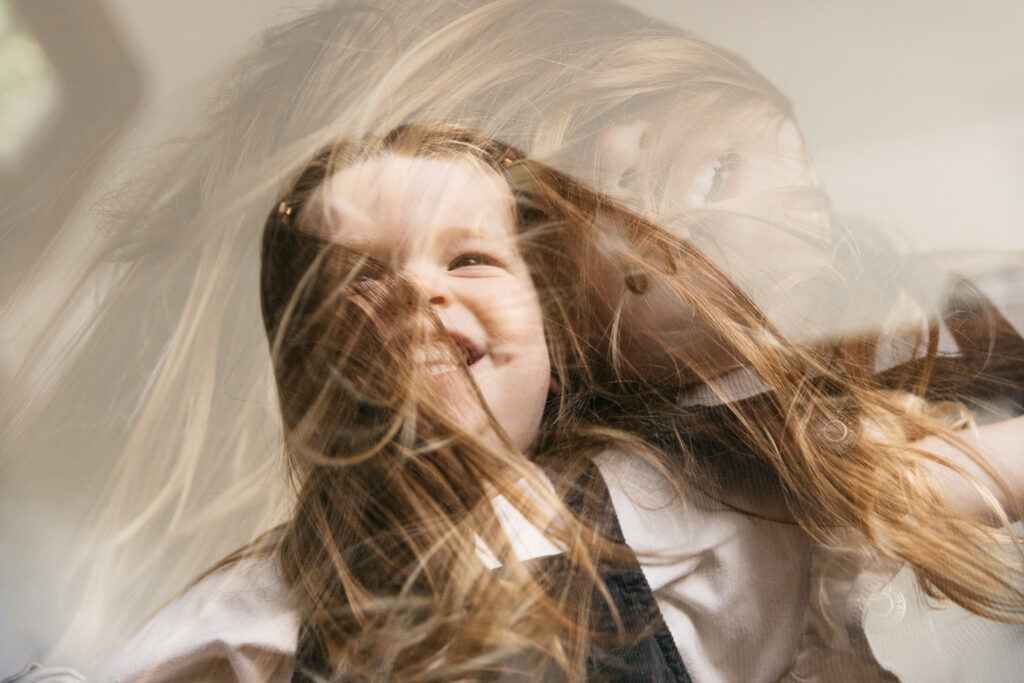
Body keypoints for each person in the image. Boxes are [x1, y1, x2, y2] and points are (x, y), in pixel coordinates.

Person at [5, 1, 1023, 681]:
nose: (418, 302)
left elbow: (930, 472)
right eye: (358, 282)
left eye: (472, 261)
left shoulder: (707, 494)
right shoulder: (281, 584)